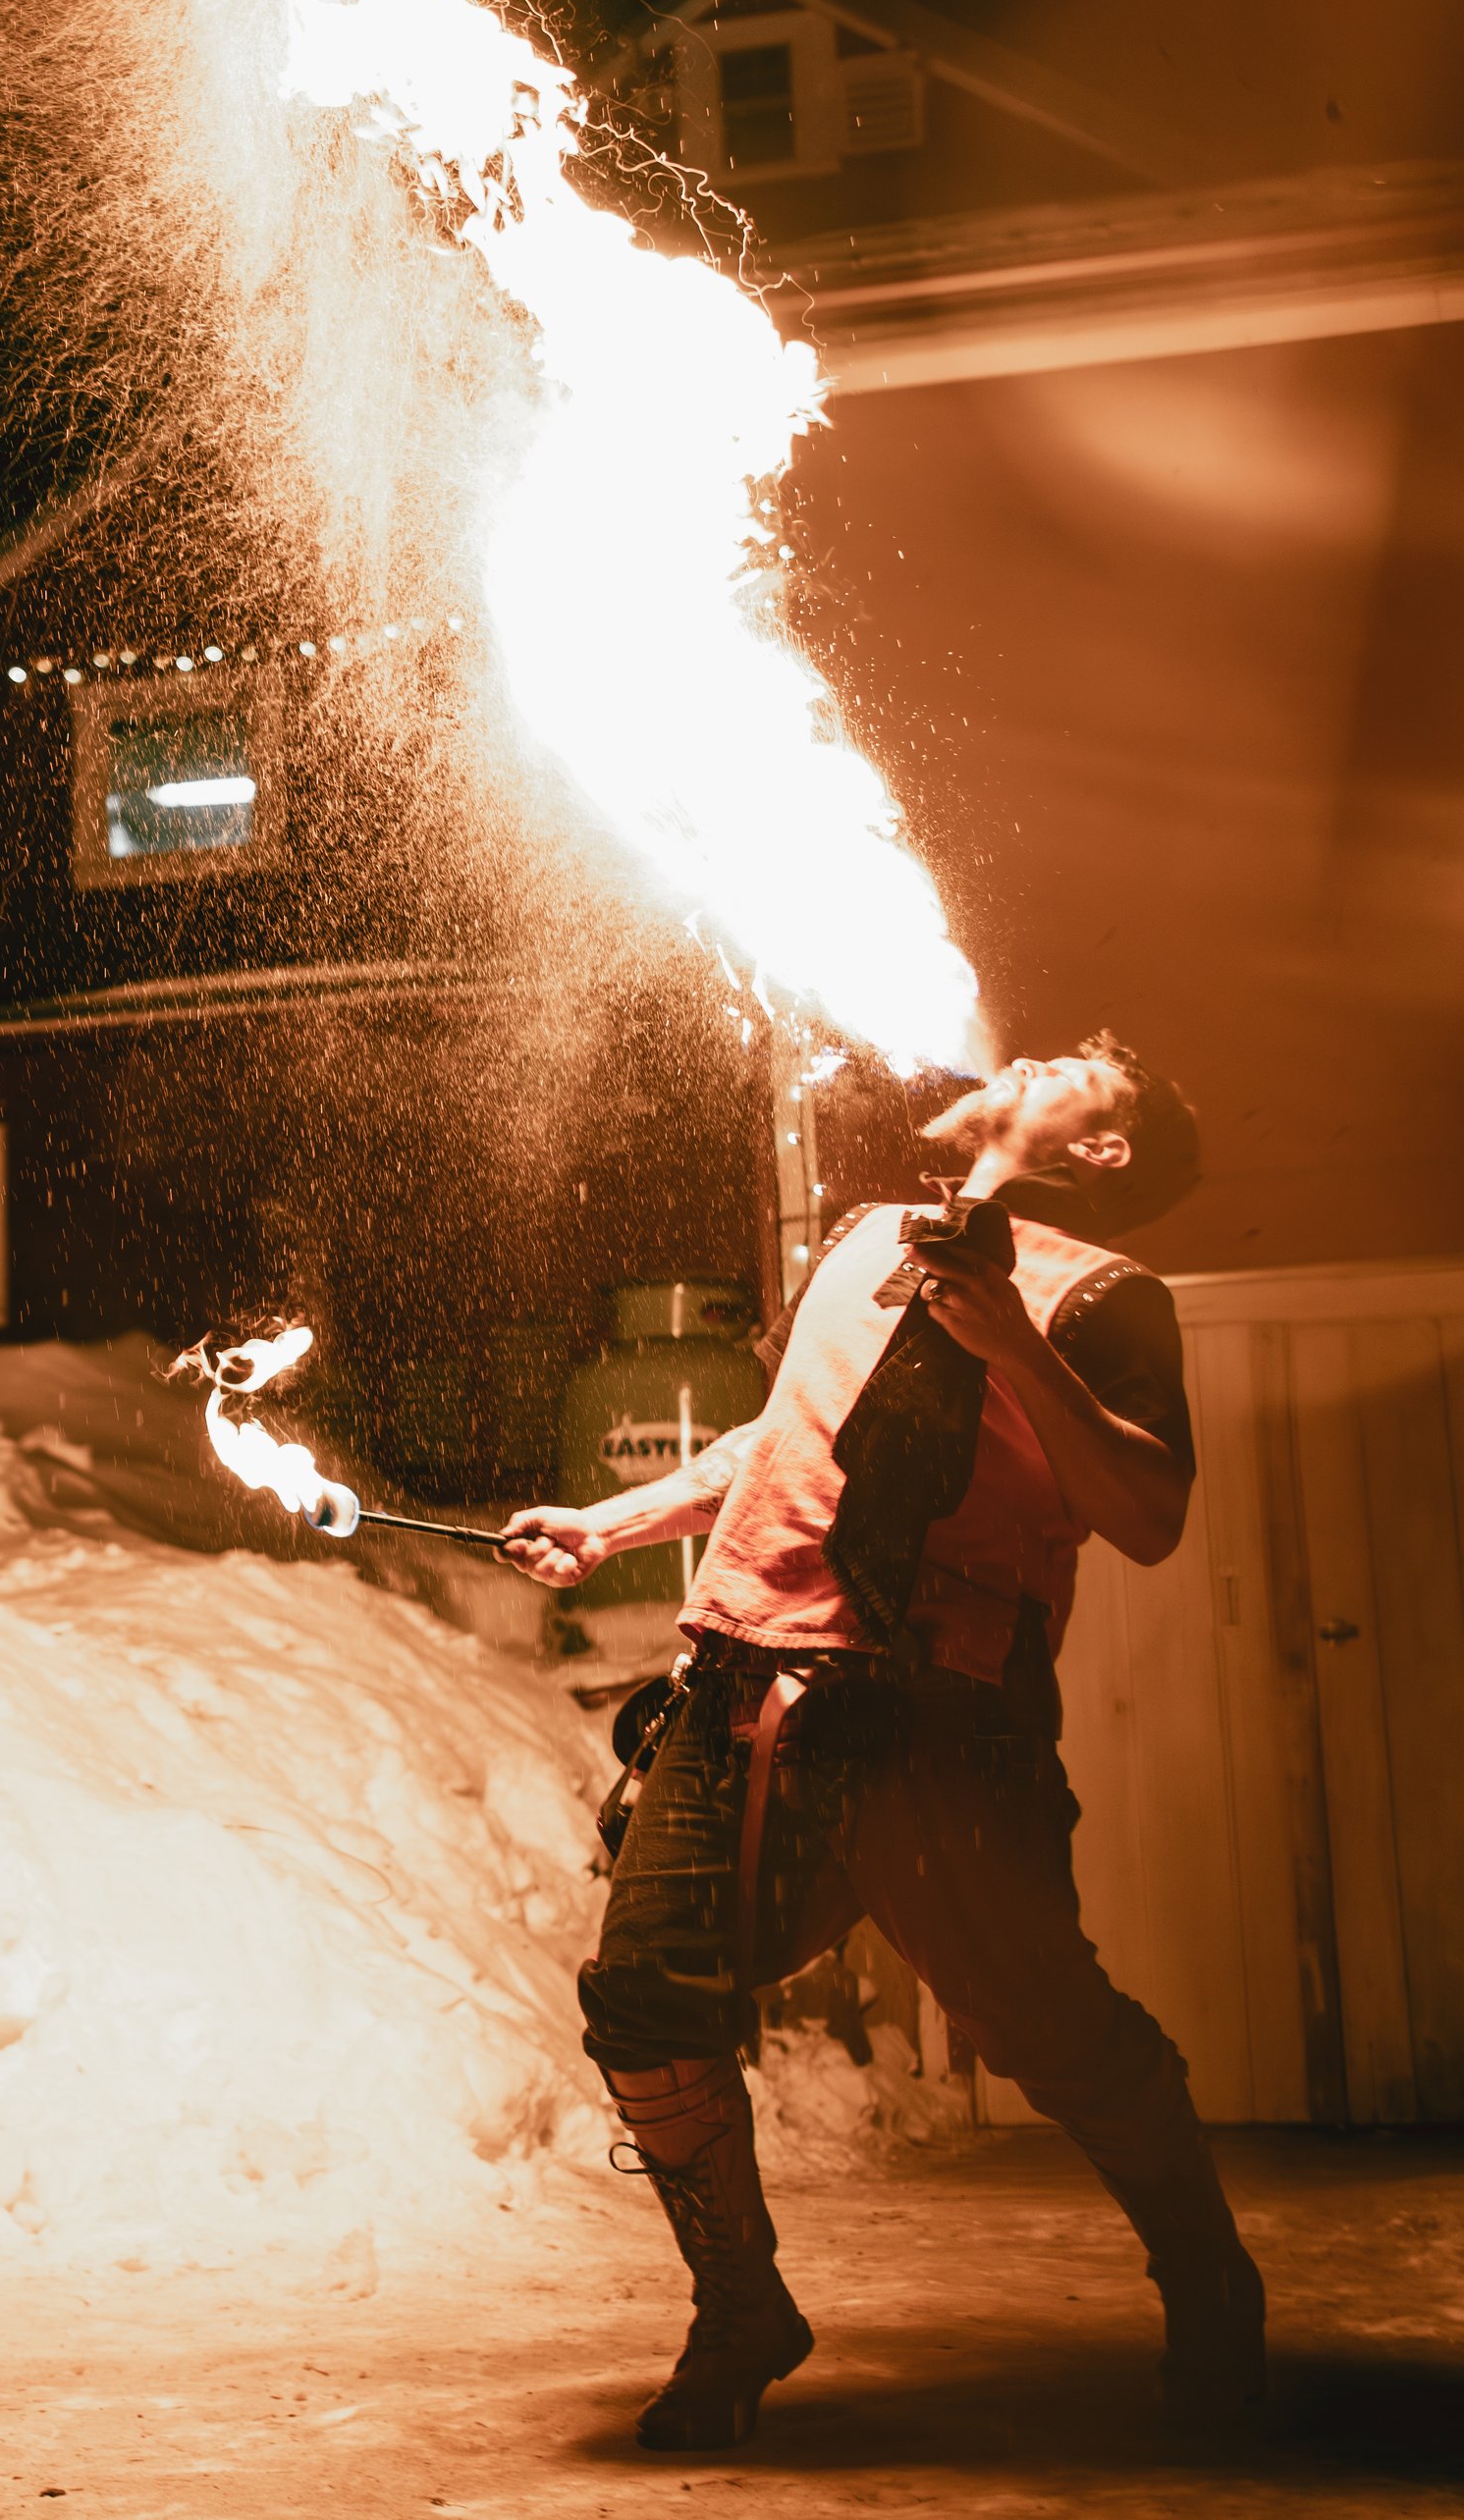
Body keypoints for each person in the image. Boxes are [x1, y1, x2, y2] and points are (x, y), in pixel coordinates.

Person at [501, 1036, 1265, 2452]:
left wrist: (1016, 1345)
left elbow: (1149, 1510)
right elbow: (783, 1433)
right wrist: (611, 1522)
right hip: (735, 1677)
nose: (1027, 1055)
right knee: (641, 1992)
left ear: (1104, 1149)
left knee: (1055, 2032)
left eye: (1078, 1066)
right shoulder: (861, 1238)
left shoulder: (1109, 1298)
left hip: (940, 1720)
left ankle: (1210, 2278)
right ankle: (742, 2307)